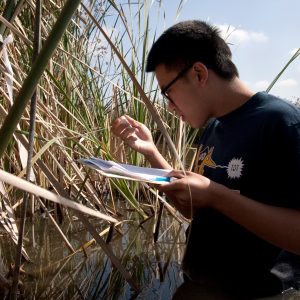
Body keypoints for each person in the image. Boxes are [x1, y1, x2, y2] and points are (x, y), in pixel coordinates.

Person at [112, 20, 300, 299]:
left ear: (199, 73)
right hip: (199, 287)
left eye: (168, 92)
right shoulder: (213, 128)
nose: (169, 106)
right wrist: (151, 152)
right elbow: (198, 210)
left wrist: (216, 196)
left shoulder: (281, 123)